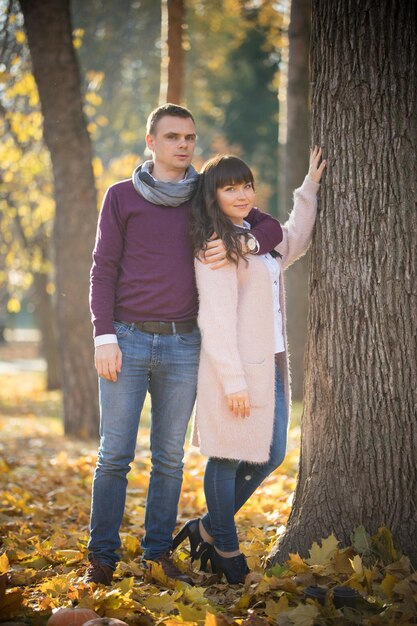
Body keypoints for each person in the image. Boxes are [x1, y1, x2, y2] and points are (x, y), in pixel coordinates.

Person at [86, 103, 283, 586]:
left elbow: (270, 226)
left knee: (169, 457)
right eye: (173, 137)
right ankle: (102, 556)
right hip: (127, 341)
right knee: (114, 454)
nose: (183, 145)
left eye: (190, 138)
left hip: (184, 344)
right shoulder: (120, 197)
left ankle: (157, 555)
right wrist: (104, 335)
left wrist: (250, 243)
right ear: (151, 141)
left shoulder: (204, 195)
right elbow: (102, 269)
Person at [172, 147, 326, 584]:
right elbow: (215, 320)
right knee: (225, 457)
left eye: (246, 186)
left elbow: (296, 235)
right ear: (213, 194)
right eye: (229, 187)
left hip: (271, 365)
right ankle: (224, 545)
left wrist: (309, 187)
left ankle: (202, 527)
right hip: (234, 370)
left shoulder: (257, 239)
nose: (241, 194)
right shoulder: (216, 248)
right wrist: (233, 381)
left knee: (271, 455)